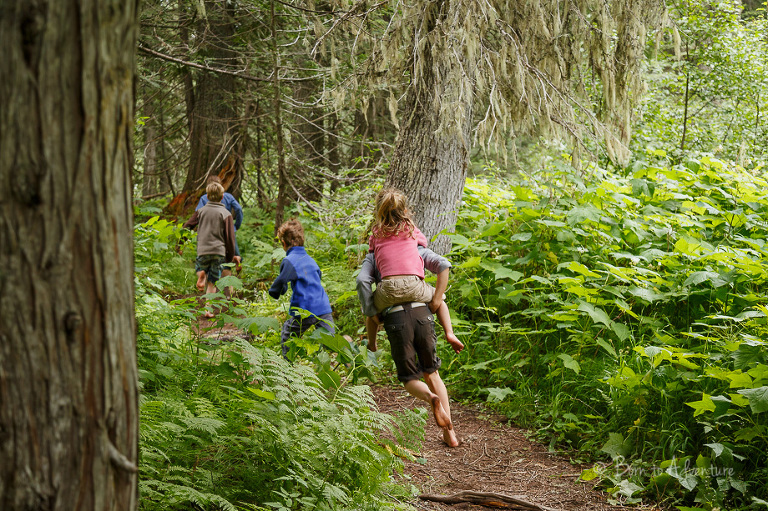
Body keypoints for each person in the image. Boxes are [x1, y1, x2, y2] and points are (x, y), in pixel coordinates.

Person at [356, 243, 464, 448]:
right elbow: (442, 266)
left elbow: (363, 282)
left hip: (395, 318)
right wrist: (439, 311)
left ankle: (430, 397)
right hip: (422, 312)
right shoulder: (414, 247)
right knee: (432, 374)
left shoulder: (375, 254)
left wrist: (372, 341)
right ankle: (450, 435)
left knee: (409, 378)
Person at [366, 188, 463, 354]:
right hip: (414, 286)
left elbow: (372, 251)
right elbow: (423, 244)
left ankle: (372, 343)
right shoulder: (411, 229)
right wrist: (435, 301)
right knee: (441, 301)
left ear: (379, 213)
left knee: (369, 311)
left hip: (388, 289)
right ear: (405, 211)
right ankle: (450, 333)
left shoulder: (376, 233)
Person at [269, 219, 335, 357]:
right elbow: (318, 276)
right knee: (331, 341)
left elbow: (282, 280)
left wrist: (274, 292)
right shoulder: (310, 260)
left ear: (284, 243)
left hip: (305, 308)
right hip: (323, 307)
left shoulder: (289, 260)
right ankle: (347, 348)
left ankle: (287, 362)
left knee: (288, 333)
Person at [184, 182, 241, 318]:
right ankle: (208, 310)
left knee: (201, 268)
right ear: (222, 197)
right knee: (213, 282)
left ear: (207, 196)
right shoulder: (226, 214)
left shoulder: (200, 212)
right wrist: (230, 256)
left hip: (203, 250)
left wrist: (180, 243)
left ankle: (201, 274)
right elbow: (230, 238)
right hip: (218, 252)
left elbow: (187, 226)